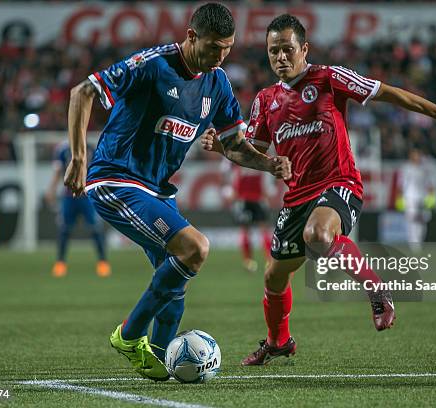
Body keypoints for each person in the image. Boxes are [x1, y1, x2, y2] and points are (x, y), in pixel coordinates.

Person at [201, 14, 436, 366]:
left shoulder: (328, 78)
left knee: (318, 233)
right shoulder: (266, 100)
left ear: (304, 49)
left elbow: (385, 92)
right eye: (273, 51)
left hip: (338, 183)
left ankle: (377, 288)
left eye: (287, 49)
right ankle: (278, 342)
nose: (280, 57)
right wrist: (221, 146)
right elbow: (252, 151)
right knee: (274, 275)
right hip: (297, 196)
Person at [63, 3, 291, 381]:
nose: (220, 57)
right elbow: (81, 92)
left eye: (228, 48)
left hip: (156, 190)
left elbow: (233, 144)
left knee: (177, 281)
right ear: (190, 37)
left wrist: (269, 163)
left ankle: (156, 359)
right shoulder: (153, 64)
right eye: (214, 47)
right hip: (116, 179)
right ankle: (130, 335)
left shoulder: (216, 83)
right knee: (195, 248)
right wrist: (77, 157)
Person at [46, 140, 110, 278]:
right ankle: (60, 263)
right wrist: (51, 189)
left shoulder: (92, 148)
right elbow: (58, 172)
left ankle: (103, 263)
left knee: (95, 229)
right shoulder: (63, 149)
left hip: (88, 196)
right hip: (69, 196)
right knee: (64, 230)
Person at [221, 159, 273, 272]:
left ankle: (248, 262)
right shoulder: (262, 155)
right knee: (262, 229)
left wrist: (229, 190)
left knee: (246, 230)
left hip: (244, 198)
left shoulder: (237, 155)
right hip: (255, 197)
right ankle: (269, 260)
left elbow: (226, 170)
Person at [395, 146, 436, 252]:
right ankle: (413, 245)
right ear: (410, 155)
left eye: (417, 154)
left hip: (422, 197)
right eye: (413, 154)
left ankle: (419, 242)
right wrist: (400, 198)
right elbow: (401, 184)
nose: (415, 156)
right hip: (410, 197)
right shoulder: (405, 168)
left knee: (422, 221)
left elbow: (430, 183)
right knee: (411, 221)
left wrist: (431, 197)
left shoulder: (425, 168)